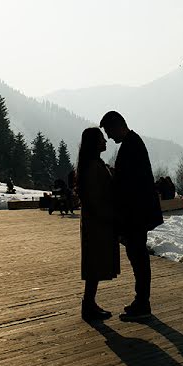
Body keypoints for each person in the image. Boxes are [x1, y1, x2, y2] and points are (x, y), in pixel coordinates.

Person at [100, 110, 163, 321]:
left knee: (138, 256)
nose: (109, 137)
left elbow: (129, 183)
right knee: (138, 256)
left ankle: (142, 303)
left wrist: (112, 177)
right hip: (139, 212)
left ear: (118, 126)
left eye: (109, 131)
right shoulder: (133, 143)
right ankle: (141, 300)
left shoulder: (130, 146)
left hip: (136, 213)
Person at [75, 127, 119, 321]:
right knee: (94, 264)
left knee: (95, 263)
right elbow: (96, 197)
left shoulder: (91, 164)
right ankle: (88, 306)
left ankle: (89, 304)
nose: (106, 141)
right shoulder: (93, 167)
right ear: (94, 143)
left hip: (96, 222)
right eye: (102, 139)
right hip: (97, 223)